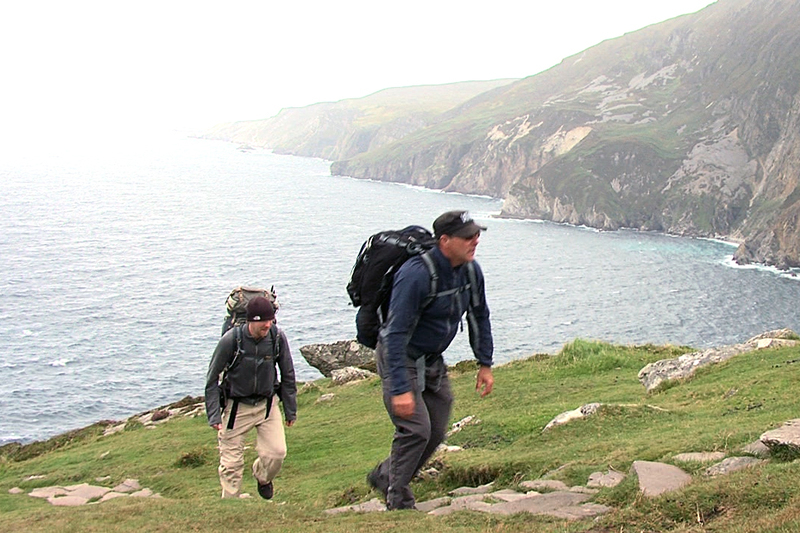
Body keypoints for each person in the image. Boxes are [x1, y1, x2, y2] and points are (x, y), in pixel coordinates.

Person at [368, 210, 494, 510]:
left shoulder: (471, 271)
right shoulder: (416, 275)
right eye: (467, 236)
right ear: (445, 240)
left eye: (477, 234)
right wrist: (399, 387)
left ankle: (385, 476)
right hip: (401, 358)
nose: (475, 240)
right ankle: (398, 499)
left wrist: (484, 363)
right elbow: (394, 334)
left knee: (435, 430)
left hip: (432, 360)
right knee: (416, 430)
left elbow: (479, 315)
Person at [205, 296, 297, 500]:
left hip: (267, 406)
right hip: (236, 408)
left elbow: (288, 374)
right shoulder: (231, 340)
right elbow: (212, 379)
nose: (268, 324)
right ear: (251, 321)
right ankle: (230, 505)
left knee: (277, 453)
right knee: (231, 465)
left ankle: (262, 477)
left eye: (271, 320)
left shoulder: (277, 337)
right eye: (263, 320)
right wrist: (213, 415)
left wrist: (290, 410)